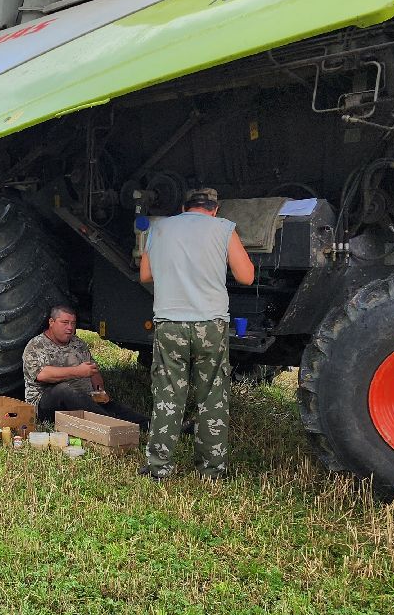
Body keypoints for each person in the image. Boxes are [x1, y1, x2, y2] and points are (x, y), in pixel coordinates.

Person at [139, 186, 255, 480]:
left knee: (168, 394)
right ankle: (211, 470)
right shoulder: (223, 228)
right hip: (210, 324)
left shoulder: (159, 227)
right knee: (212, 396)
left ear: (183, 207)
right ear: (215, 209)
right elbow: (246, 276)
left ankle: (158, 467)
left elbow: (145, 275)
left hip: (170, 322)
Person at [22, 305, 148, 427]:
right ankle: (113, 425)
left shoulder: (78, 343)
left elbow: (93, 370)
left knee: (109, 405)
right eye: (65, 322)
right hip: (46, 405)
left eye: (73, 323)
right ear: (51, 322)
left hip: (83, 399)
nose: (70, 328)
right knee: (64, 390)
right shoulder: (36, 345)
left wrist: (99, 391)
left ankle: (147, 425)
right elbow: (42, 374)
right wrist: (78, 371)